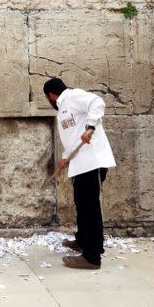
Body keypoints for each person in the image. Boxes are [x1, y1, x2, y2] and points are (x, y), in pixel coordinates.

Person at [43, 77, 116, 270]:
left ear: (51, 95)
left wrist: (91, 126)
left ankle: (92, 257)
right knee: (81, 203)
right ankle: (82, 240)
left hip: (92, 161)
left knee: (89, 207)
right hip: (80, 163)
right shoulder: (64, 109)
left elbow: (97, 102)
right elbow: (74, 136)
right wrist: (66, 157)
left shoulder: (72, 96)